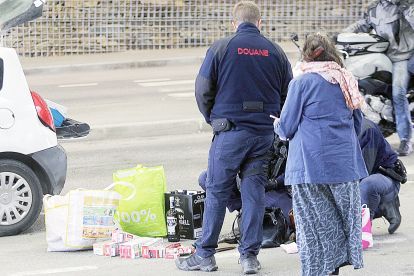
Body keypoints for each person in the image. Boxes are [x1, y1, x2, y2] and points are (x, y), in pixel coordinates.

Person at [175, 1, 292, 274]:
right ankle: (249, 257)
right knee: (254, 193)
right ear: (260, 23)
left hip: (230, 132)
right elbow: (288, 94)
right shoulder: (276, 52)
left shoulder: (221, 48)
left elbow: (202, 90)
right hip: (263, 135)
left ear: (234, 23)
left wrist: (213, 118)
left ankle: (205, 255)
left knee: (217, 190)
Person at [274, 33, 368, 275]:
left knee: (313, 225)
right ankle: (334, 268)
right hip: (344, 166)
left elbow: (286, 127)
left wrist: (276, 124)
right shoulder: (345, 79)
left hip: (309, 166)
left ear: (305, 54)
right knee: (340, 221)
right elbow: (358, 123)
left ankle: (320, 271)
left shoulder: (301, 83)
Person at [344, 0, 414, 156]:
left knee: (398, 93)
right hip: (385, 55)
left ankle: (405, 140)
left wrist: (405, 7)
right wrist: (340, 37)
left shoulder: (405, 4)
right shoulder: (375, 8)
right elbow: (362, 25)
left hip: (404, 57)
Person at [359, 118, 405, 234]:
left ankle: (363, 230)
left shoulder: (366, 129)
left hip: (384, 179)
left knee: (366, 185)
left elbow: (364, 172)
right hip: (367, 179)